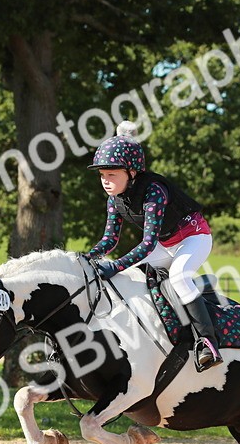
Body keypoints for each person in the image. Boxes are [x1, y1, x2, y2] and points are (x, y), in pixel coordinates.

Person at [85, 121, 222, 371]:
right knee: (129, 276)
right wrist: (86, 258)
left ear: (132, 172)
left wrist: (114, 265)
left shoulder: (154, 191)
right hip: (166, 243)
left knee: (179, 276)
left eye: (112, 174)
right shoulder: (114, 200)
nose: (105, 181)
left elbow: (147, 245)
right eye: (102, 175)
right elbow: (109, 240)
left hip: (194, 237)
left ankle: (207, 342)